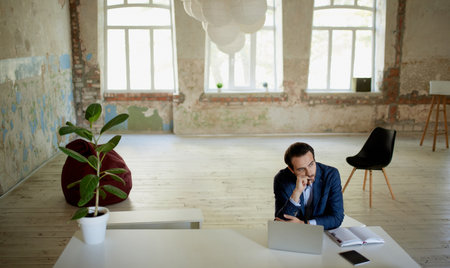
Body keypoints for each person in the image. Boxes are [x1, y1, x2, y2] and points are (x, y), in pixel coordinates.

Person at [273, 142, 344, 230]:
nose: (309, 173)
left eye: (311, 164)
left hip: (322, 232)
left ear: (314, 160)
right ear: (291, 170)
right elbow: (280, 223)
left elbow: (336, 218)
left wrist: (304, 224)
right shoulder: (281, 179)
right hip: (294, 235)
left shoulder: (331, 175)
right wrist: (296, 192)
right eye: (301, 169)